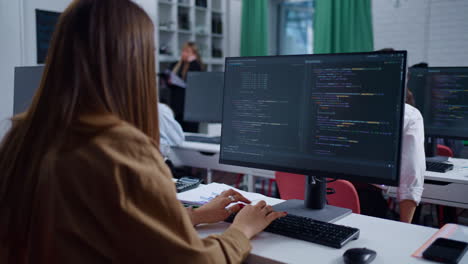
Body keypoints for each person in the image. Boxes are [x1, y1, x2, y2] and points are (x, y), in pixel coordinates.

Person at [0, 1, 285, 263]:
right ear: (133, 59)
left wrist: (195, 215)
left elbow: (108, 225)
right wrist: (241, 230)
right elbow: (193, 261)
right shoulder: (119, 148)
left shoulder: (23, 134)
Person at [354, 49, 426, 223]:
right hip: (367, 209)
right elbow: (411, 177)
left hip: (325, 202)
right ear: (404, 79)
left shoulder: (337, 105)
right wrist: (404, 228)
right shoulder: (408, 115)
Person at [168, 42, 204, 132]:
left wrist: (193, 61)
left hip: (191, 107)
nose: (184, 53)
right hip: (177, 106)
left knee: (191, 133)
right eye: (183, 51)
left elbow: (195, 82)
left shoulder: (196, 65)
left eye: (187, 51)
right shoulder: (176, 65)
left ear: (194, 54)